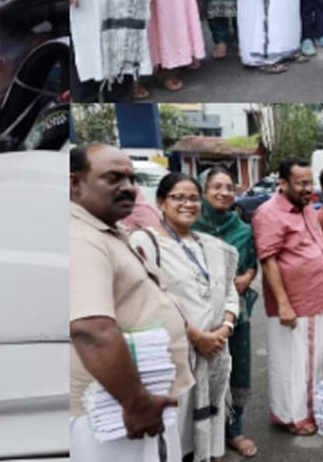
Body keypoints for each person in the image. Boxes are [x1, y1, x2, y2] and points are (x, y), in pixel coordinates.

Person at [69, 144, 192, 460]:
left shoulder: (108, 230)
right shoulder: (80, 238)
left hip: (137, 399)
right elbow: (90, 329)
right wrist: (136, 403)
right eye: (113, 178)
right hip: (116, 412)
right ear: (74, 183)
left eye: (131, 179)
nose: (128, 187)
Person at [145, 172, 239, 462]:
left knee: (210, 420)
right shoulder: (147, 242)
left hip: (215, 348)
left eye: (194, 198)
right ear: (161, 202)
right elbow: (152, 299)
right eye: (178, 197)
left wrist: (224, 326)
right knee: (179, 429)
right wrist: (197, 336)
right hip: (178, 352)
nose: (188, 204)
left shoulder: (212, 246)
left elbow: (230, 291)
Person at [252, 157, 323, 436]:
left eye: (309, 182)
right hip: (296, 302)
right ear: (283, 183)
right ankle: (299, 417)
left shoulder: (307, 207)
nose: (307, 188)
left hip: (315, 297)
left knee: (302, 360)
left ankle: (288, 412)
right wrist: (284, 304)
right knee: (301, 361)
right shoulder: (269, 212)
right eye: (301, 183)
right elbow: (269, 260)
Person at [194, 166, 259, 459]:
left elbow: (251, 263)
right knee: (201, 374)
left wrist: (248, 275)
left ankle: (233, 431)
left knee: (236, 372)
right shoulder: (190, 226)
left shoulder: (242, 230)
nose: (224, 193)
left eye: (230, 188)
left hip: (236, 315)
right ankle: (200, 438)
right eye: (216, 187)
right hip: (199, 316)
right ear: (204, 191)